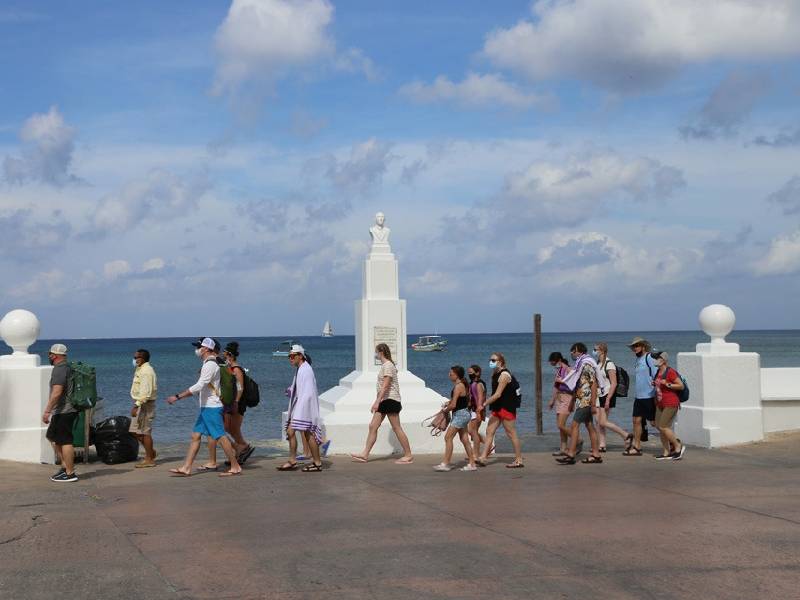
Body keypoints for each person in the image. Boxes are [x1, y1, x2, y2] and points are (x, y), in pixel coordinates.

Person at [166, 338, 242, 477]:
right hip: (206, 407)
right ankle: (186, 468)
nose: (197, 350)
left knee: (220, 436)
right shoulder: (209, 363)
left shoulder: (210, 365)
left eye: (199, 347)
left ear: (206, 349)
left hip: (212, 407)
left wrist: (177, 397)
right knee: (196, 435)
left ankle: (235, 466)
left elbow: (199, 386)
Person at [350, 343, 414, 465]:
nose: (375, 354)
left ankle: (408, 454)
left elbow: (385, 386)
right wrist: (378, 401)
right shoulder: (386, 365)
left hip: (390, 400)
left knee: (396, 428)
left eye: (376, 352)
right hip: (384, 401)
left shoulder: (388, 366)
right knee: (372, 426)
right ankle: (365, 454)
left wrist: (376, 402)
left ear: (381, 352)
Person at [277, 345, 325, 472]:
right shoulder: (301, 369)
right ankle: (308, 461)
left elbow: (308, 393)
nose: (290, 359)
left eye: (292, 356)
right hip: (302, 407)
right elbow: (300, 388)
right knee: (302, 433)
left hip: (304, 408)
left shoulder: (306, 370)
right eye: (289, 356)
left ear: (300, 356)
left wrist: (300, 411)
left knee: (301, 433)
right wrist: (291, 391)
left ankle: (314, 462)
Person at [556, 343, 602, 465]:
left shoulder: (586, 364)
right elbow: (578, 385)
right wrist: (572, 402)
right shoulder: (580, 365)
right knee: (590, 426)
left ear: (578, 351)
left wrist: (593, 404)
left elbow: (593, 384)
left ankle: (571, 454)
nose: (571, 353)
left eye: (573, 351)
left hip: (586, 401)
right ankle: (596, 454)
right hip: (581, 400)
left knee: (574, 425)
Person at [476, 352, 524, 468]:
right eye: (490, 360)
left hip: (506, 407)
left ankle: (519, 460)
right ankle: (483, 457)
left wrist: (484, 403)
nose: (491, 362)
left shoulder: (504, 375)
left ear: (500, 362)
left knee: (511, 433)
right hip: (498, 407)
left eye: (493, 360)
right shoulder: (495, 373)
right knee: (489, 430)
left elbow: (497, 394)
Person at [212, 342, 255, 466]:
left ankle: (243, 447)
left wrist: (236, 401)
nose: (223, 355)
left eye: (225, 353)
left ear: (229, 354)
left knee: (232, 428)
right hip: (232, 402)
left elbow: (240, 387)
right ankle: (241, 449)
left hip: (237, 403)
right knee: (230, 428)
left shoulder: (236, 369)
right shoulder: (229, 368)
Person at [42, 344, 78, 483]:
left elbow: (57, 392)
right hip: (64, 410)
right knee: (52, 436)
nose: (49, 356)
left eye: (50, 354)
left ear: (54, 355)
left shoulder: (60, 369)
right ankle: (65, 466)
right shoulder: (67, 367)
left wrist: (47, 411)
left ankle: (70, 473)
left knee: (65, 441)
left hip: (65, 410)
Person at [434, 366, 478, 472]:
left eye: (451, 373)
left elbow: (454, 405)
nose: (449, 375)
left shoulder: (458, 386)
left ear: (457, 375)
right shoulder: (462, 385)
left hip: (460, 415)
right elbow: (459, 401)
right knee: (464, 439)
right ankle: (472, 463)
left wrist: (445, 410)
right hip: (464, 413)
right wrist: (448, 403)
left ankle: (446, 463)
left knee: (448, 437)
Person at [593, 343, 631, 453]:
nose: (594, 351)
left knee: (603, 422)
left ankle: (626, 435)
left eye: (595, 349)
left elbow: (614, 383)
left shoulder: (609, 364)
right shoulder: (598, 363)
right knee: (598, 421)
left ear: (602, 350)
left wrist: (609, 399)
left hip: (607, 395)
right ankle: (602, 444)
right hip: (599, 395)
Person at [625, 337, 659, 456]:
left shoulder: (649, 358)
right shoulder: (638, 360)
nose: (635, 348)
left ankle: (673, 443)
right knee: (636, 420)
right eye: (633, 347)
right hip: (638, 397)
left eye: (637, 346)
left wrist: (657, 393)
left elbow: (656, 375)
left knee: (655, 423)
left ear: (643, 346)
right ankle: (637, 446)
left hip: (649, 395)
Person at [650, 350, 686, 461]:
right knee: (659, 427)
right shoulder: (658, 372)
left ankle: (677, 446)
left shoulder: (670, 372)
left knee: (663, 426)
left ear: (663, 360)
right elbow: (659, 385)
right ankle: (666, 452)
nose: (654, 360)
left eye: (656, 358)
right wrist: (654, 383)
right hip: (660, 403)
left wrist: (668, 384)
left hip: (671, 403)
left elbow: (681, 386)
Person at [129, 348, 158, 468]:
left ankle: (149, 459)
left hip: (144, 404)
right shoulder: (140, 369)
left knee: (145, 432)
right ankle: (150, 452)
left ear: (143, 358)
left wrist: (137, 405)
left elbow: (146, 392)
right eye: (134, 357)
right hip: (140, 403)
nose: (134, 359)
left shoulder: (146, 371)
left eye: (136, 357)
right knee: (134, 431)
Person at [548, 352, 577, 457]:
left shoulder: (569, 369)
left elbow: (575, 385)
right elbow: (556, 386)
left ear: (559, 361)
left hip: (568, 398)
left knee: (560, 425)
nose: (553, 366)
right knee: (561, 427)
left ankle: (577, 440)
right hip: (559, 399)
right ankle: (563, 448)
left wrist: (573, 402)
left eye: (554, 363)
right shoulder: (559, 371)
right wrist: (552, 400)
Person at [467, 364, 487, 460]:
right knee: (471, 431)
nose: (469, 374)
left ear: (477, 372)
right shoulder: (472, 383)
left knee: (473, 431)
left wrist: (479, 412)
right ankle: (487, 444)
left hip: (478, 410)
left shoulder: (479, 384)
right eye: (468, 373)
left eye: (471, 372)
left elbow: (480, 399)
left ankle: (476, 454)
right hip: (473, 410)